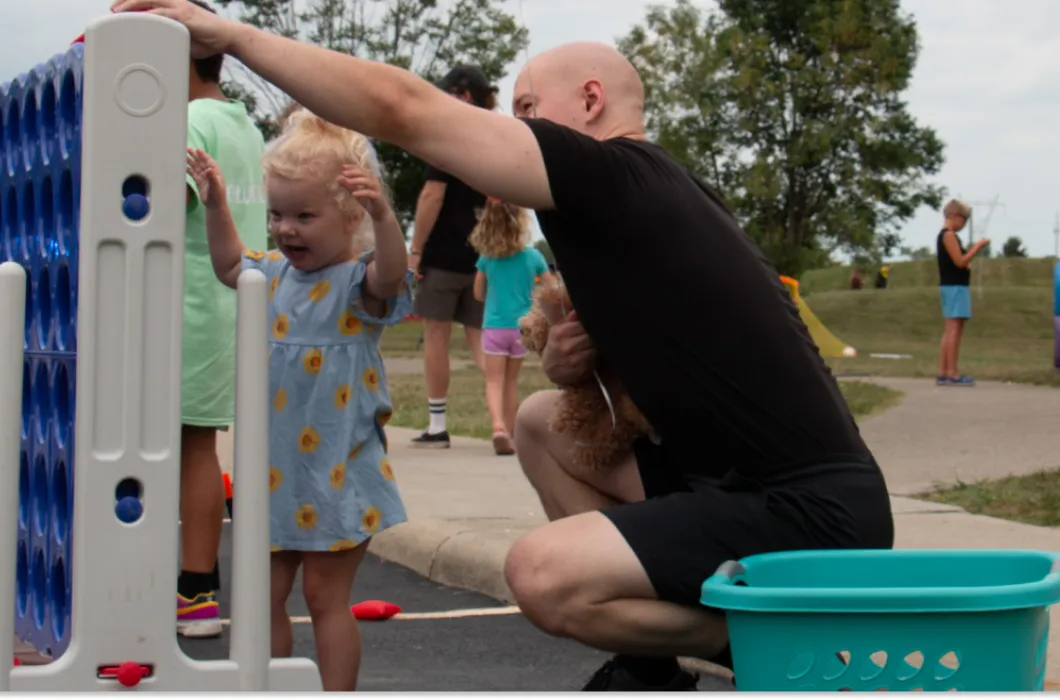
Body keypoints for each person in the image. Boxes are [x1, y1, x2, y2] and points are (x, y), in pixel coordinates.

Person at [103, 1, 896, 689]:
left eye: (522, 107)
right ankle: (653, 667)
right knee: (547, 420)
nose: (507, 129)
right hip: (735, 483)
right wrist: (578, 366)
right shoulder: (631, 206)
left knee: (542, 577)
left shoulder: (613, 174)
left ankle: (766, 638)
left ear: (589, 102)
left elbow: (401, 109)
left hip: (810, 512)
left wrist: (229, 34)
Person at [185, 105, 413, 692]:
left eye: (305, 216)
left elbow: (391, 276)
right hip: (275, 474)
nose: (286, 229)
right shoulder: (273, 276)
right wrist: (215, 205)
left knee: (323, 595)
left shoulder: (356, 286)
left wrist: (386, 217)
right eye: (279, 214)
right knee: (261, 596)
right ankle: (269, 687)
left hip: (338, 469)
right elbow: (230, 262)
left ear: (349, 216)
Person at [171, 0, 271, 639]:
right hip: (233, 304)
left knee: (189, 447)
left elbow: (149, 206)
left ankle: (195, 592)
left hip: (192, 308)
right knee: (196, 446)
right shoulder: (243, 125)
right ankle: (193, 587)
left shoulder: (184, 120)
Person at [407, 66, 500, 450]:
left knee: (436, 337)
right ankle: (502, 419)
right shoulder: (493, 138)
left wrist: (415, 251)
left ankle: (437, 424)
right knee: (481, 341)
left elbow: (432, 197)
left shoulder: (446, 139)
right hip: (482, 255)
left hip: (443, 256)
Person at [471, 200, 552, 455]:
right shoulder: (533, 257)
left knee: (494, 380)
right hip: (521, 328)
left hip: (494, 326)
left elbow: (477, 293)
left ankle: (497, 427)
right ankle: (512, 432)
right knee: (512, 380)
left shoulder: (487, 258)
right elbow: (550, 289)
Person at [935, 200, 986, 385]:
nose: (964, 225)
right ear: (954, 216)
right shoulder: (948, 236)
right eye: (964, 220)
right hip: (955, 287)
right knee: (954, 330)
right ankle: (952, 372)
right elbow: (960, 261)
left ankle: (944, 371)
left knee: (950, 329)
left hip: (952, 285)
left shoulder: (947, 236)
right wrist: (977, 247)